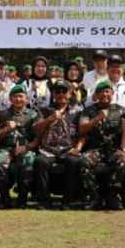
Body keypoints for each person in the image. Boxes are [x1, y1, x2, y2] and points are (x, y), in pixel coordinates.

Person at [77, 80, 125, 210]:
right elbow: (82, 129)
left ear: (112, 93)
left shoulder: (121, 110)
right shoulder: (88, 111)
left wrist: (123, 149)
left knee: (121, 159)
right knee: (83, 161)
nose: (105, 94)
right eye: (101, 92)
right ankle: (94, 197)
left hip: (113, 149)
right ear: (96, 95)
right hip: (96, 149)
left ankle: (113, 197)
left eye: (107, 91)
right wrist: (97, 119)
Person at [32, 81, 82, 209]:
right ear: (53, 94)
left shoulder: (77, 112)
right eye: (57, 91)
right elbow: (35, 128)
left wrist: (77, 148)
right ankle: (44, 200)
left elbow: (83, 134)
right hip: (48, 150)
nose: (61, 94)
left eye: (64, 91)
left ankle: (68, 201)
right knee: (40, 162)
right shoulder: (44, 110)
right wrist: (50, 119)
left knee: (74, 161)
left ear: (69, 94)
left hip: (68, 149)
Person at [0, 84, 40, 208]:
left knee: (28, 161)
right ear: (10, 99)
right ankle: (5, 198)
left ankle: (22, 199)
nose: (18, 99)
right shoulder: (3, 114)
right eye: (15, 96)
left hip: (25, 148)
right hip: (6, 148)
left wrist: (27, 148)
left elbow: (38, 138)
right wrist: (6, 129)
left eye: (21, 96)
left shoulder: (33, 115)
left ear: (27, 99)